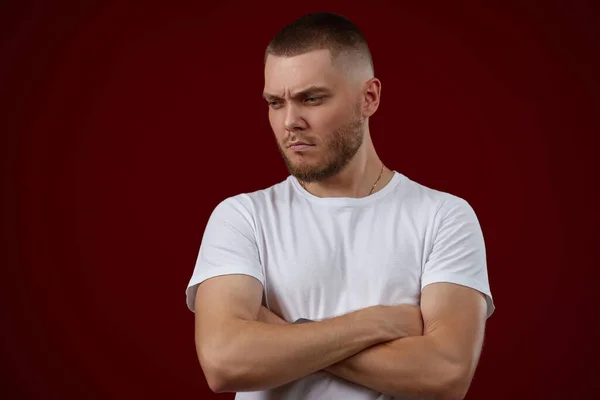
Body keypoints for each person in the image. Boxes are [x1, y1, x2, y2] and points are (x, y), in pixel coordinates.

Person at [185, 12, 494, 400]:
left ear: (369, 98)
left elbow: (446, 374)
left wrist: (280, 333)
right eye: (275, 103)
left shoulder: (443, 217)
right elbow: (224, 361)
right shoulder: (243, 217)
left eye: (311, 98)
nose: (289, 122)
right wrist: (377, 323)